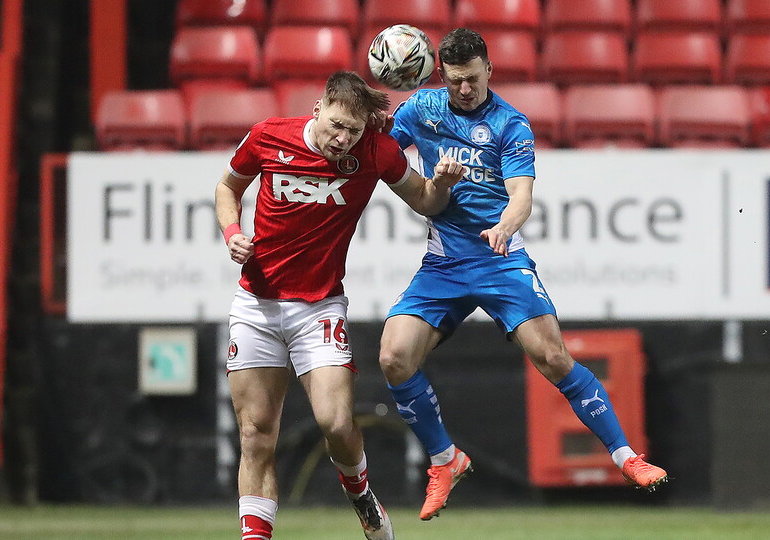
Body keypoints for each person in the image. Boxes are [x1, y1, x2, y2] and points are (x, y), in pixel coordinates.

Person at [378, 28, 669, 521]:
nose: (463, 90)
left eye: (471, 79)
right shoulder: (420, 110)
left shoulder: (511, 123)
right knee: (392, 357)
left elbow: (522, 198)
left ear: (489, 69)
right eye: (454, 82)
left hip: (500, 258)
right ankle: (445, 461)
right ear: (440, 75)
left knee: (553, 356)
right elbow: (380, 155)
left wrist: (503, 228)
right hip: (443, 264)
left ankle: (627, 458)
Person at [215, 71, 464, 540]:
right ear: (317, 109)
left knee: (334, 421)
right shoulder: (269, 135)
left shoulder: (375, 150)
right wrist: (232, 235)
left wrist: (443, 184)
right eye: (335, 125)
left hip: (319, 308)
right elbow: (228, 188)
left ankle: (361, 495)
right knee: (255, 434)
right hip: (257, 304)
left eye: (352, 130)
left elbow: (426, 200)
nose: (342, 138)